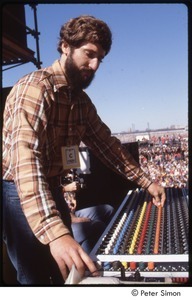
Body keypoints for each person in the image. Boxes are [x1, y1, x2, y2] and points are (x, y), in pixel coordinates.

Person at [2, 15, 166, 285]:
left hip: (51, 187)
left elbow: (107, 145)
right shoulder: (35, 89)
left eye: (100, 58)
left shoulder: (80, 101)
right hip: (17, 192)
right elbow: (26, 163)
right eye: (89, 54)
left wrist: (147, 182)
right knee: (34, 280)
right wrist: (55, 233)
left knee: (63, 273)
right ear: (66, 46)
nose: (94, 65)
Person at [62, 175, 114, 254]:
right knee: (97, 225)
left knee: (108, 209)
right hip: (61, 223)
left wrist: (71, 196)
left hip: (69, 213)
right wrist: (65, 189)